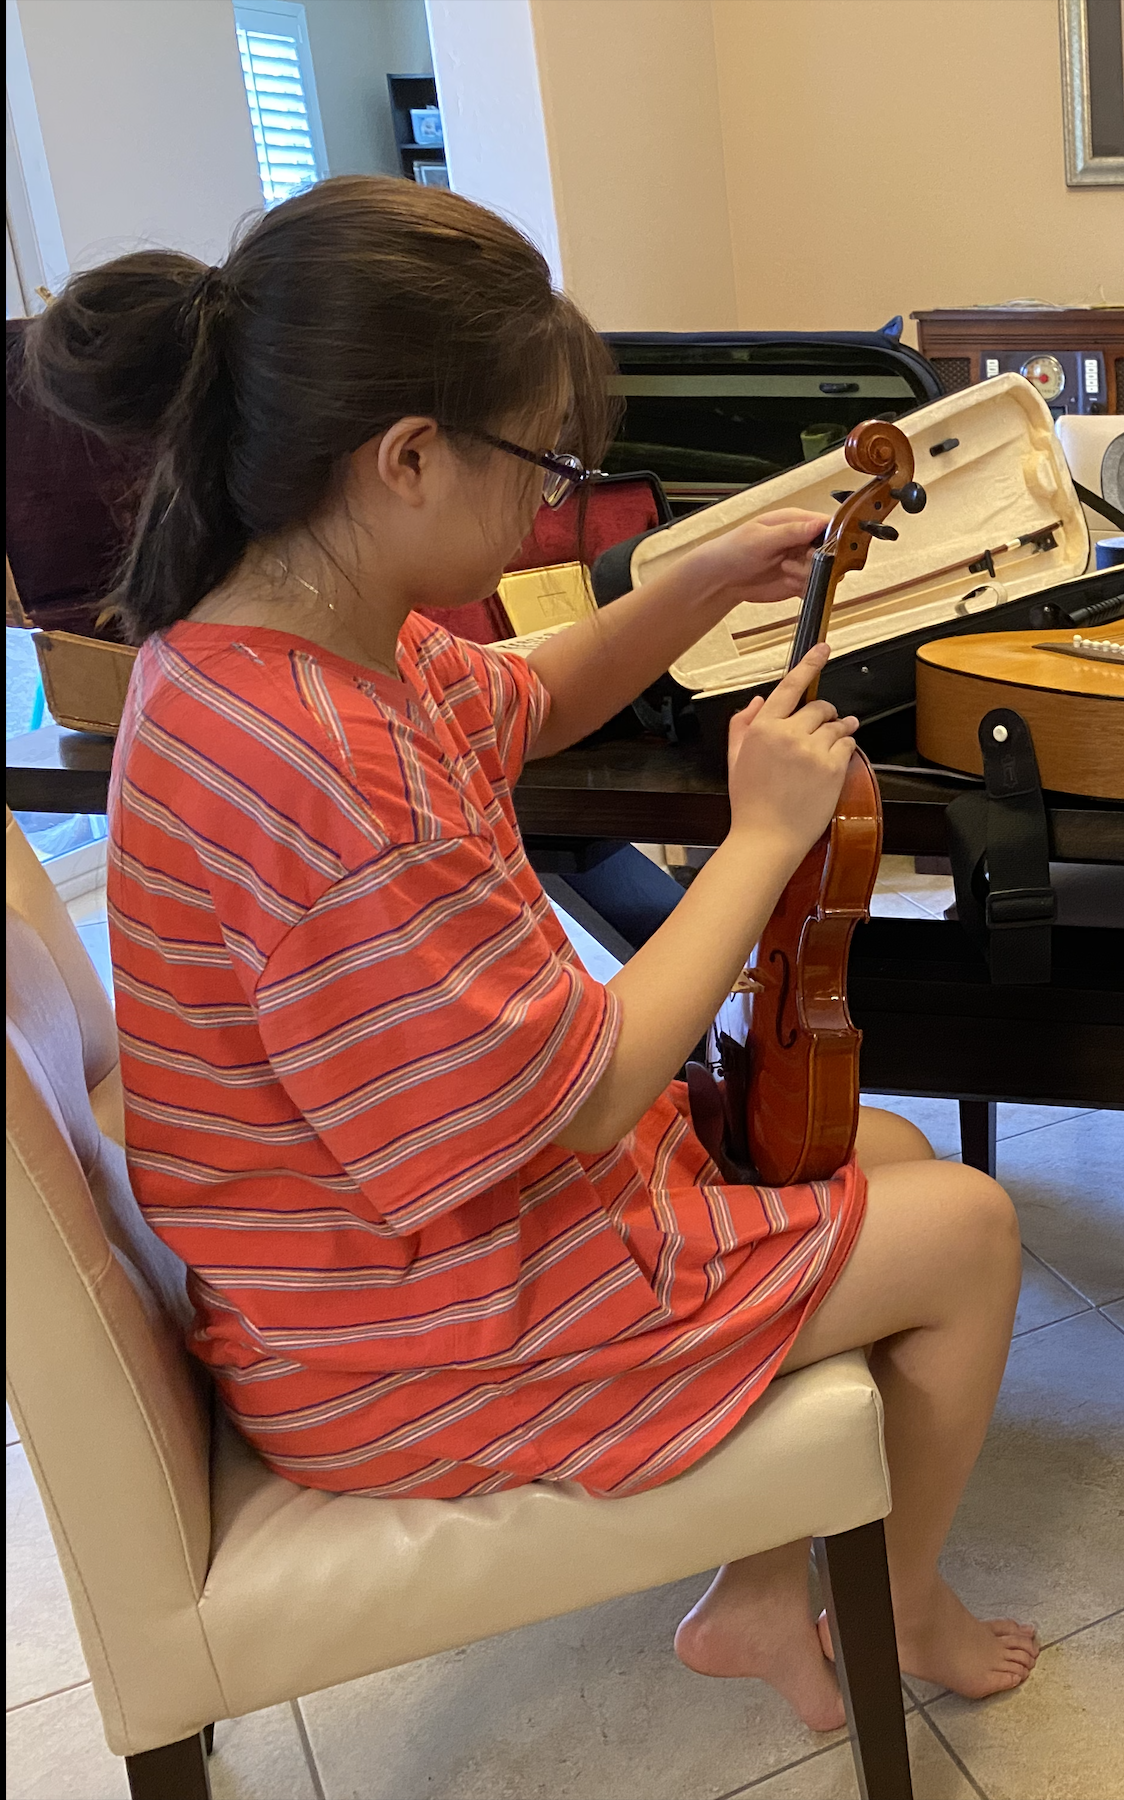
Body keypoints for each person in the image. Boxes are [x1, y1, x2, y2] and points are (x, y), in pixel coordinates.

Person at [23, 175, 1036, 1728]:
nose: (550, 511)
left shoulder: (280, 643)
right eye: (543, 465)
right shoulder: (322, 764)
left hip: (361, 1280)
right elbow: (583, 1094)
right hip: (404, 1346)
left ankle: (760, 1597)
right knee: (966, 1228)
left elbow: (533, 699)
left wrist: (691, 581)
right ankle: (895, 1610)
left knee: (867, 1145)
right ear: (408, 457)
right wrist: (762, 836)